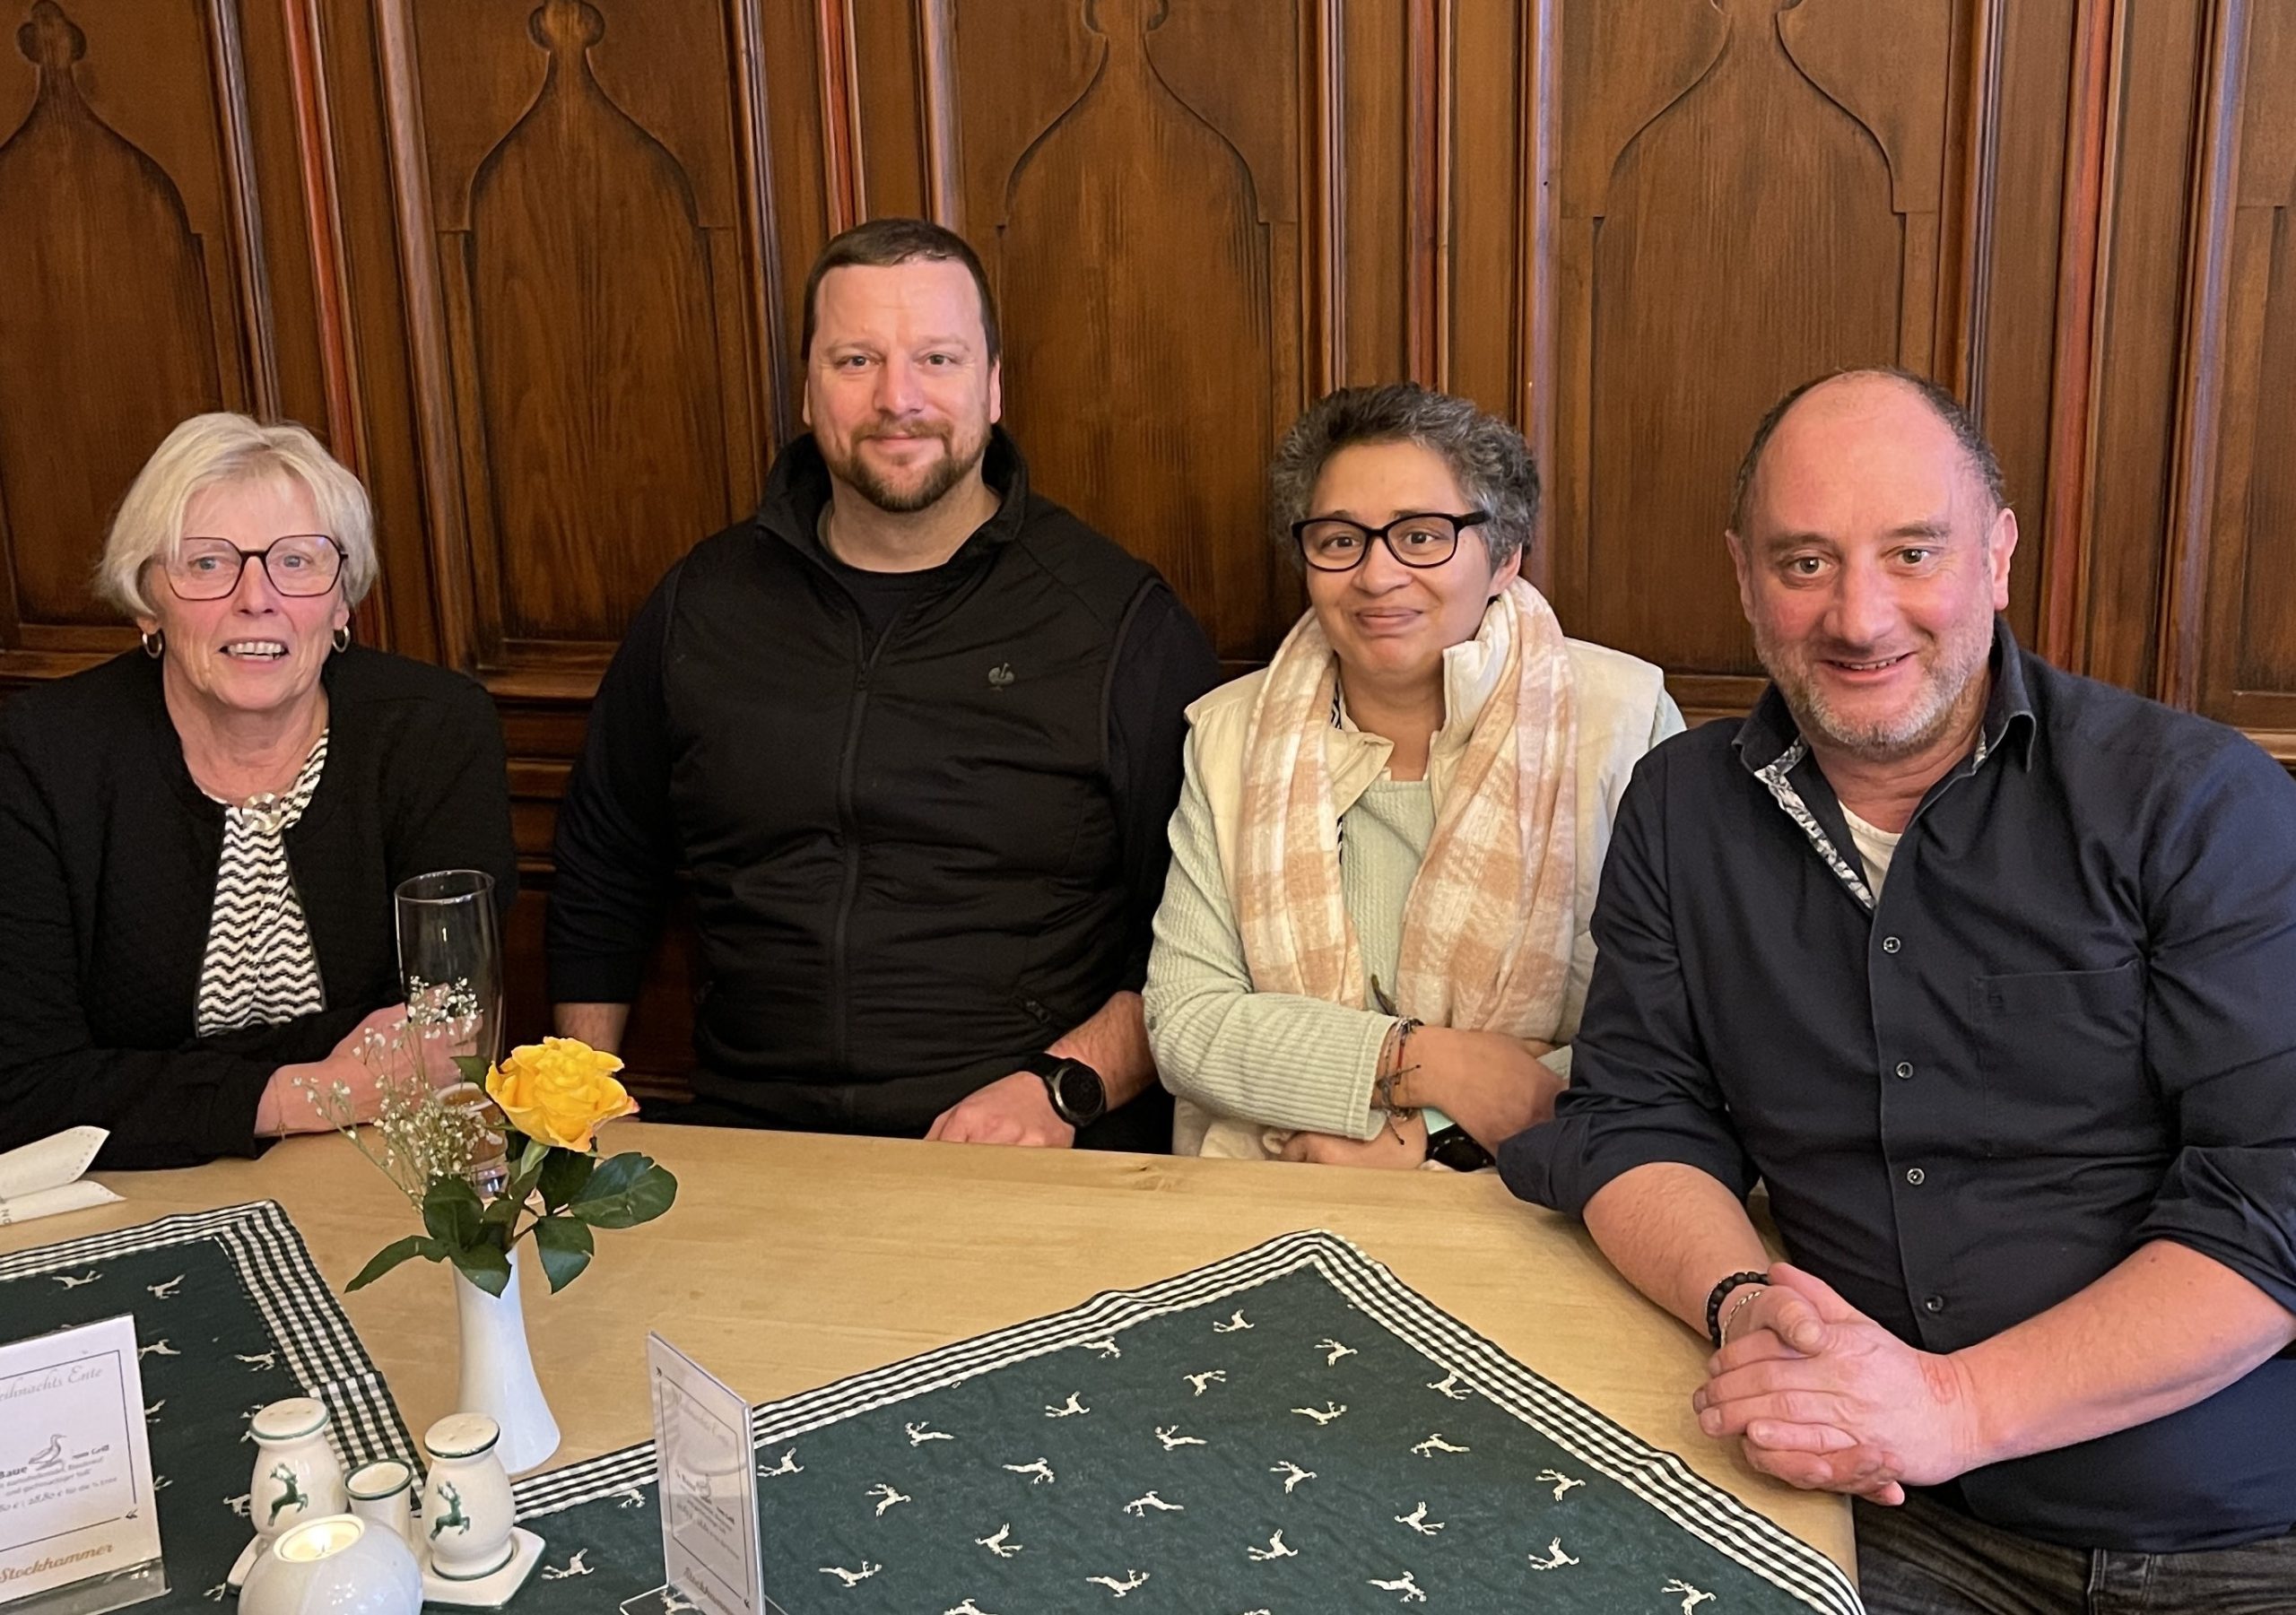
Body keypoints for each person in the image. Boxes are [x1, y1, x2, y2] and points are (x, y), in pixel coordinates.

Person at [1500, 368, 2296, 1609]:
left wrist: (1951, 1405)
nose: (1861, 617)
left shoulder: (2192, 801)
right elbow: (1637, 1115)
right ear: (1744, 572)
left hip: (2220, 1531)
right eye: (1805, 561)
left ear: (1999, 555)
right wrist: (1739, 1302)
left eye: (1913, 551)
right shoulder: (1679, 807)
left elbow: (2276, 1199)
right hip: (1864, 1515)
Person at [547, 218, 1221, 1150]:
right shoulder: (702, 603)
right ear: (808, 391)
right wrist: (581, 1091)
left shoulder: (1116, 621)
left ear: (991, 388)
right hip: (751, 1138)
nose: (896, 398)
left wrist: (1063, 1089)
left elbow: (1208, 937)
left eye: (937, 358)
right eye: (856, 359)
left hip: (1026, 1147)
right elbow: (604, 863)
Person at [1144, 384, 1681, 1166]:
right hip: (1272, 1186)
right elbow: (1188, 1024)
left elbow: (1667, 1029)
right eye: (1338, 539)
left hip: (1547, 1188)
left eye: (1422, 536)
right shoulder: (1228, 734)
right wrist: (1425, 1064)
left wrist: (1422, 1139)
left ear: (1504, 554)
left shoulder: (1622, 719)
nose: (1376, 575)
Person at [0, 413, 518, 1170]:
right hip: (123, 1195)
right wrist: (304, 1090)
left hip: (385, 1166)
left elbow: (443, 1037)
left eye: (299, 562)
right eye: (207, 564)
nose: (257, 597)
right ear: (148, 601)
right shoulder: (42, 755)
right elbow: (25, 1087)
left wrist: (153, 1083)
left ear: (342, 601)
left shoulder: (433, 731)